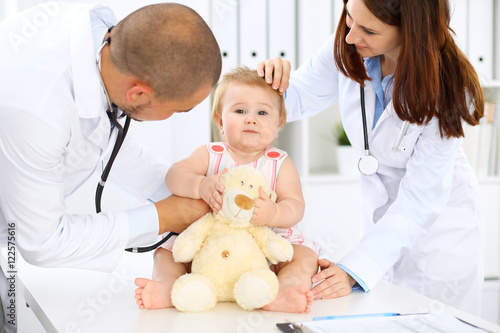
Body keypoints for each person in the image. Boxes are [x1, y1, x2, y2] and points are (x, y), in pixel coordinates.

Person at [0, 2, 221, 330]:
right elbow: (42, 242)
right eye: (180, 110)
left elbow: (111, 143)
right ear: (139, 93)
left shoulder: (108, 44)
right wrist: (164, 216)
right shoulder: (37, 110)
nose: (178, 115)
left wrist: (196, 189)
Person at [257, 0, 485, 315]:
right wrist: (271, 82)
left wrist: (355, 268)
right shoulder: (349, 48)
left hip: (437, 237)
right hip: (382, 226)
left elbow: (419, 201)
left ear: (411, 30)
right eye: (349, 20)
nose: (351, 37)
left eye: (369, 30)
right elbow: (293, 101)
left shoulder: (447, 87)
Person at [134, 67, 320, 313]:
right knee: (166, 254)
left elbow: (296, 205)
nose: (251, 119)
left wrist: (274, 213)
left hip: (264, 244)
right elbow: (174, 175)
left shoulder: (279, 163)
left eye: (262, 112)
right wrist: (199, 185)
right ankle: (167, 286)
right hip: (210, 244)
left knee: (304, 256)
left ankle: (284, 289)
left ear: (278, 124)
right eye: (240, 110)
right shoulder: (211, 154)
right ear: (221, 121)